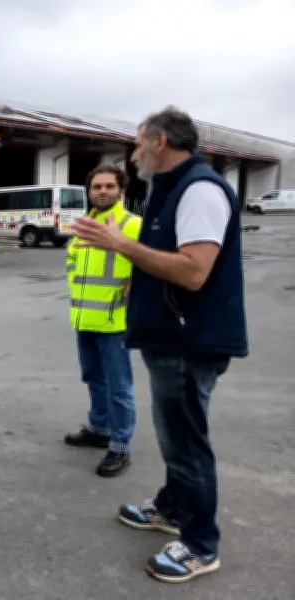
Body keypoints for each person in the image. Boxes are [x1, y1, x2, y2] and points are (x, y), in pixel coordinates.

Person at [70, 106, 248, 584]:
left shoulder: (201, 190)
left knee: (187, 442)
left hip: (191, 342)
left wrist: (122, 246)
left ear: (160, 142)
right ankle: (171, 507)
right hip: (171, 339)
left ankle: (200, 545)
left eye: (137, 143)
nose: (133, 154)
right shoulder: (170, 190)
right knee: (174, 434)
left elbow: (194, 270)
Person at [64, 164, 142, 477]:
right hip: (85, 318)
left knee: (119, 387)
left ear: (121, 190)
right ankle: (100, 428)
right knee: (93, 378)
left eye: (109, 186)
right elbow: (72, 260)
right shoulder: (84, 225)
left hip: (115, 321)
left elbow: (147, 263)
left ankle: (120, 445)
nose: (103, 191)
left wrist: (134, 286)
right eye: (97, 187)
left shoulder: (133, 224)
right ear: (89, 191)